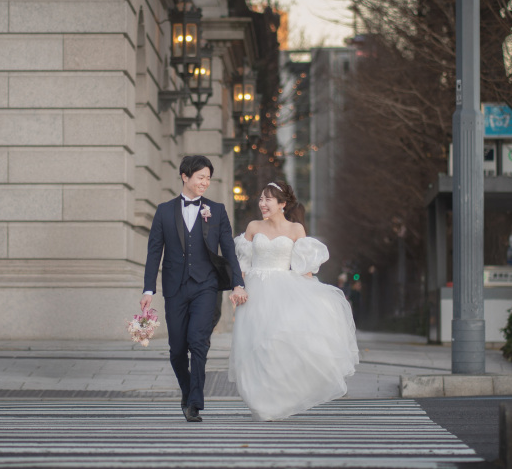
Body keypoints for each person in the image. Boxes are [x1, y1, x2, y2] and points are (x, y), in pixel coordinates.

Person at [228, 180, 359, 421]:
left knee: (276, 344)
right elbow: (243, 264)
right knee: (254, 345)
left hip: (282, 289)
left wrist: (316, 298)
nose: (262, 204)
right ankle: (258, 400)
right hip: (254, 292)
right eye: (261, 199)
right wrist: (238, 287)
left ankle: (276, 400)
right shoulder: (253, 226)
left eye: (268, 199)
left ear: (282, 204)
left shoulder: (296, 229)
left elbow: (303, 269)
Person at [140, 155, 248, 422]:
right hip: (175, 288)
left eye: (208, 178)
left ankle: (195, 402)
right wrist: (148, 290)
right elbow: (154, 252)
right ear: (185, 177)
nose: (205, 182)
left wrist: (238, 281)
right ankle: (187, 390)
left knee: (198, 342)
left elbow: (229, 251)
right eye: (201, 177)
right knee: (177, 349)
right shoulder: (164, 211)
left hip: (206, 285)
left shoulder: (217, 210)